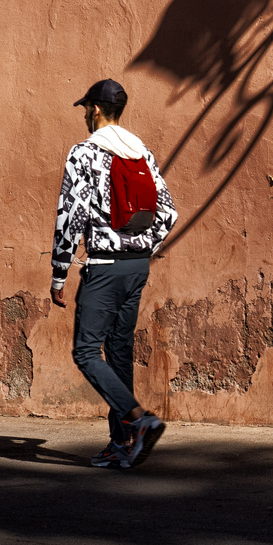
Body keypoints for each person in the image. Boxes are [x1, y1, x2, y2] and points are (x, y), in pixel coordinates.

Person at [50, 78, 178, 469]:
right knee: (119, 352)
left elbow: (71, 214)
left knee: (87, 352)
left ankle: (139, 421)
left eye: (87, 109)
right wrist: (142, 247)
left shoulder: (84, 153)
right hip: (136, 268)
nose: (86, 115)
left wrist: (59, 273)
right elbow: (169, 212)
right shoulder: (140, 152)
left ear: (96, 110)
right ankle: (121, 442)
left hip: (104, 268)